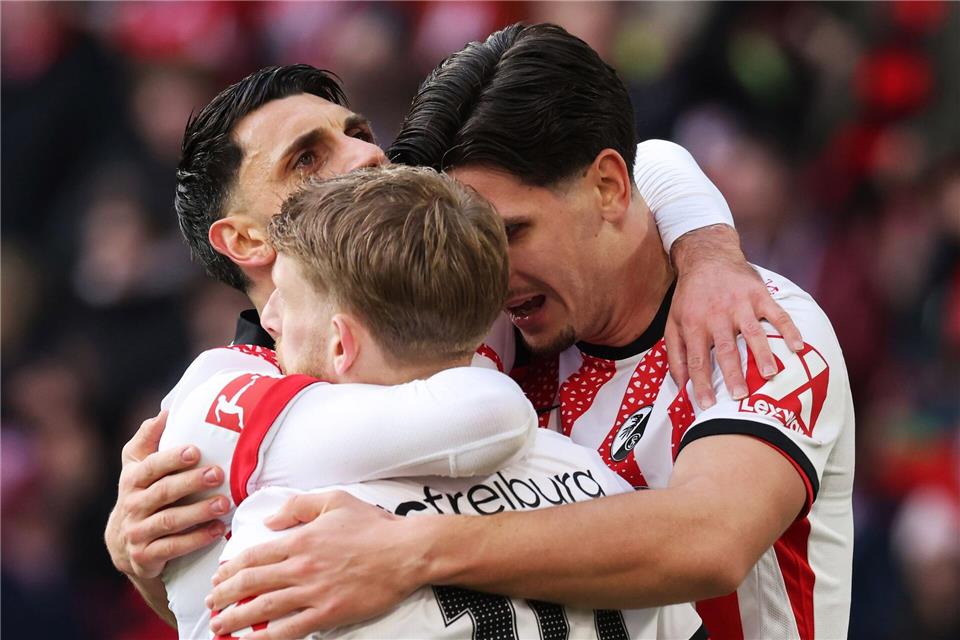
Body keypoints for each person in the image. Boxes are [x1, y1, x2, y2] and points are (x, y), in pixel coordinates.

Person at [204, 24, 854, 640]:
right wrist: (159, 560)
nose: (488, 269)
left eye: (511, 232)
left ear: (607, 187)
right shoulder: (477, 327)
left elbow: (712, 538)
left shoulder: (754, 325)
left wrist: (413, 552)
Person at [194, 166, 705, 639]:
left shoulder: (289, 530)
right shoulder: (600, 490)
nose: (271, 318)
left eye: (284, 295)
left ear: (341, 343)